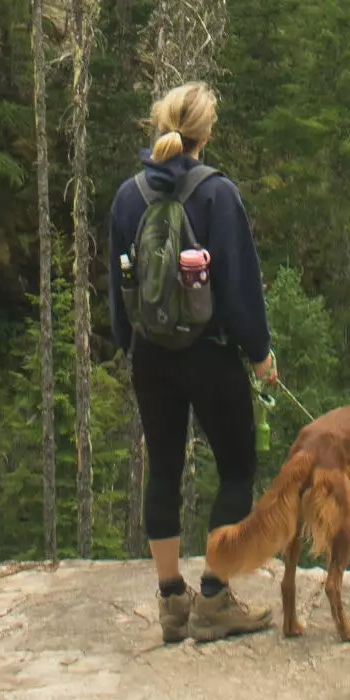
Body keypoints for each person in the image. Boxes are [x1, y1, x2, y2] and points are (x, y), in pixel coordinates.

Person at [109, 80, 279, 643]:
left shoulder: (128, 196)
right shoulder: (217, 194)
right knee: (235, 469)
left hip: (151, 357)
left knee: (162, 468)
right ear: (206, 134)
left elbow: (118, 287)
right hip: (209, 355)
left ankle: (170, 603)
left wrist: (124, 342)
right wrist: (259, 355)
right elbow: (240, 287)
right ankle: (213, 597)